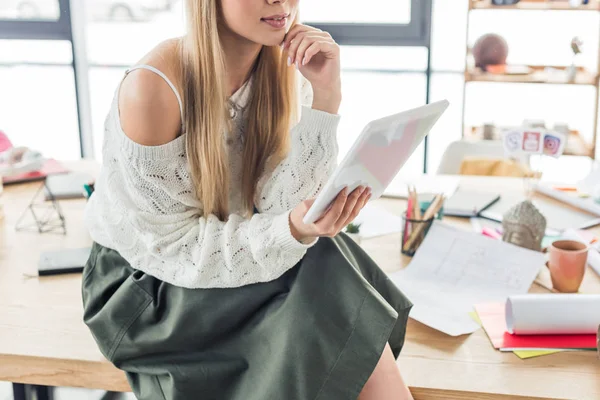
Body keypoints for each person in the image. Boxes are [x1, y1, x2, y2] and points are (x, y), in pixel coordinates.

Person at [81, 0, 413, 399]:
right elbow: (173, 248)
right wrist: (291, 230)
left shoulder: (286, 70)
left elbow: (277, 208)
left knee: (319, 254)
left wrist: (326, 97)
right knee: (322, 270)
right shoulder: (153, 87)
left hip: (228, 255)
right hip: (146, 287)